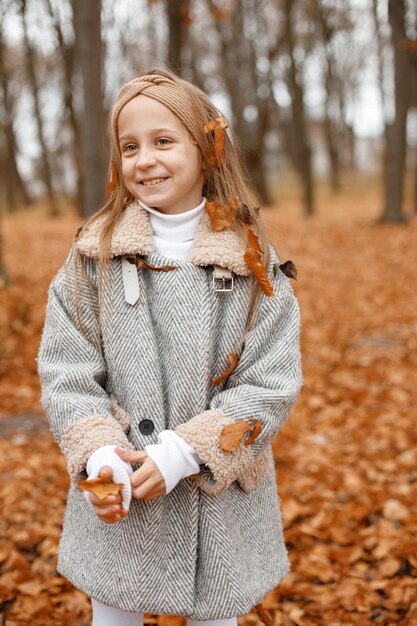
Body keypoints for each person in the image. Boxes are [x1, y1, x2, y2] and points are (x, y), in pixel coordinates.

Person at [37, 68, 303, 626]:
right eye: (129, 146)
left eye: (164, 141)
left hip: (216, 493)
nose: (145, 159)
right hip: (122, 493)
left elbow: (270, 382)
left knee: (213, 614)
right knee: (114, 612)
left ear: (207, 149)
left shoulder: (252, 262)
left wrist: (187, 451)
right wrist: (100, 450)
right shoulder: (94, 257)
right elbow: (67, 369)